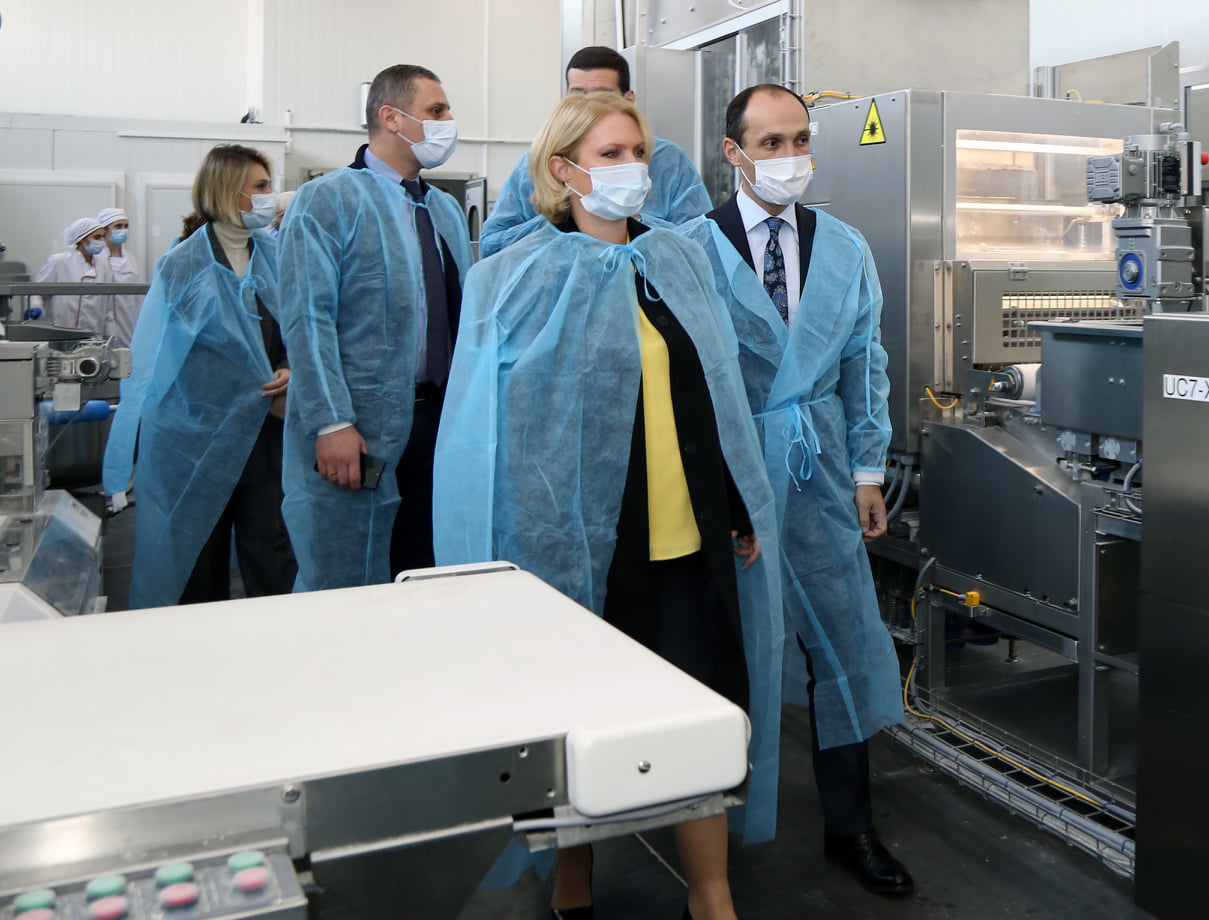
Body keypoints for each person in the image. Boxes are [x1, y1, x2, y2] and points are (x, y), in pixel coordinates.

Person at [435, 93, 783, 920]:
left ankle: (711, 893)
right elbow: (486, 434)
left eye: (639, 153)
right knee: (576, 720)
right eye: (612, 154)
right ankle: (573, 874)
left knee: (698, 719)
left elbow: (717, 394)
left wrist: (736, 505)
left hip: (685, 540)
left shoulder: (676, 261)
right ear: (564, 170)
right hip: (573, 548)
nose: (634, 169)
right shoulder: (513, 278)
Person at [686, 84, 913, 896]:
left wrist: (866, 470)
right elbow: (682, 386)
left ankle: (851, 827)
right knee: (722, 650)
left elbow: (863, 363)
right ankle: (709, 841)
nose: (790, 158)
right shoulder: (690, 248)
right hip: (729, 472)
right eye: (770, 143)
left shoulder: (843, 247)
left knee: (841, 646)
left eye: (800, 140)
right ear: (733, 153)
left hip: (819, 469)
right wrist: (717, 493)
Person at [279, 64, 472, 590]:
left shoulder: (444, 209)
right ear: (391, 117)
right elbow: (307, 318)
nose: (448, 122)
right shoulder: (329, 200)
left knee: (428, 561)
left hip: (438, 417)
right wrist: (330, 422)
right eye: (436, 111)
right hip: (360, 426)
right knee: (353, 571)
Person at [103, 145, 296, 607]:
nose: (269, 198)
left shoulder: (277, 256)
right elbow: (157, 361)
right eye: (260, 187)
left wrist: (291, 368)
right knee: (197, 564)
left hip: (265, 437)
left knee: (272, 561)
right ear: (227, 191)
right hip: (199, 440)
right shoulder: (183, 266)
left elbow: (296, 328)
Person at [478, 46, 710, 256]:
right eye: (577, 97)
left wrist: (631, 224)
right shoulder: (535, 164)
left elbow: (701, 245)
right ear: (560, 169)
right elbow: (492, 245)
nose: (588, 108)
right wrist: (564, 224)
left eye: (603, 96)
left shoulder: (669, 161)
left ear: (628, 100)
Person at [29, 217, 105, 330]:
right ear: (81, 239)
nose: (102, 241)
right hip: (60, 329)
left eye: (103, 237)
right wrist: (36, 306)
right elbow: (36, 290)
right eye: (97, 237)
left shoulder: (102, 265)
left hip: (92, 331)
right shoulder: (59, 261)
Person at [91, 206, 144, 345]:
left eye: (126, 226)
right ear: (105, 230)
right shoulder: (97, 258)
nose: (123, 230)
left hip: (130, 319)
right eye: (118, 226)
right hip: (104, 323)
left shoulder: (130, 258)